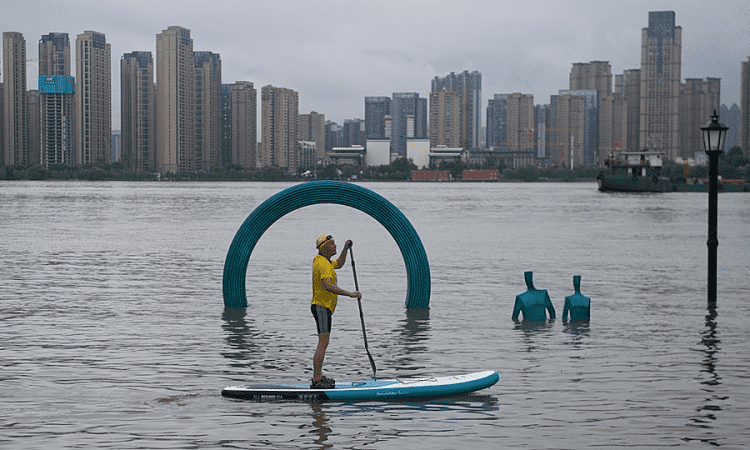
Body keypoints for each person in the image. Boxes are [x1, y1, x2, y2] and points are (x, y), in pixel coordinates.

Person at [310, 234, 361, 389]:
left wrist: (345, 249)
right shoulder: (322, 264)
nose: (335, 246)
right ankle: (317, 380)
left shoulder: (325, 261)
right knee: (323, 342)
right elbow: (327, 285)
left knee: (324, 342)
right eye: (333, 244)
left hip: (324, 307)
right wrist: (350, 294)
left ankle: (317, 377)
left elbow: (338, 264)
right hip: (321, 306)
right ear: (325, 248)